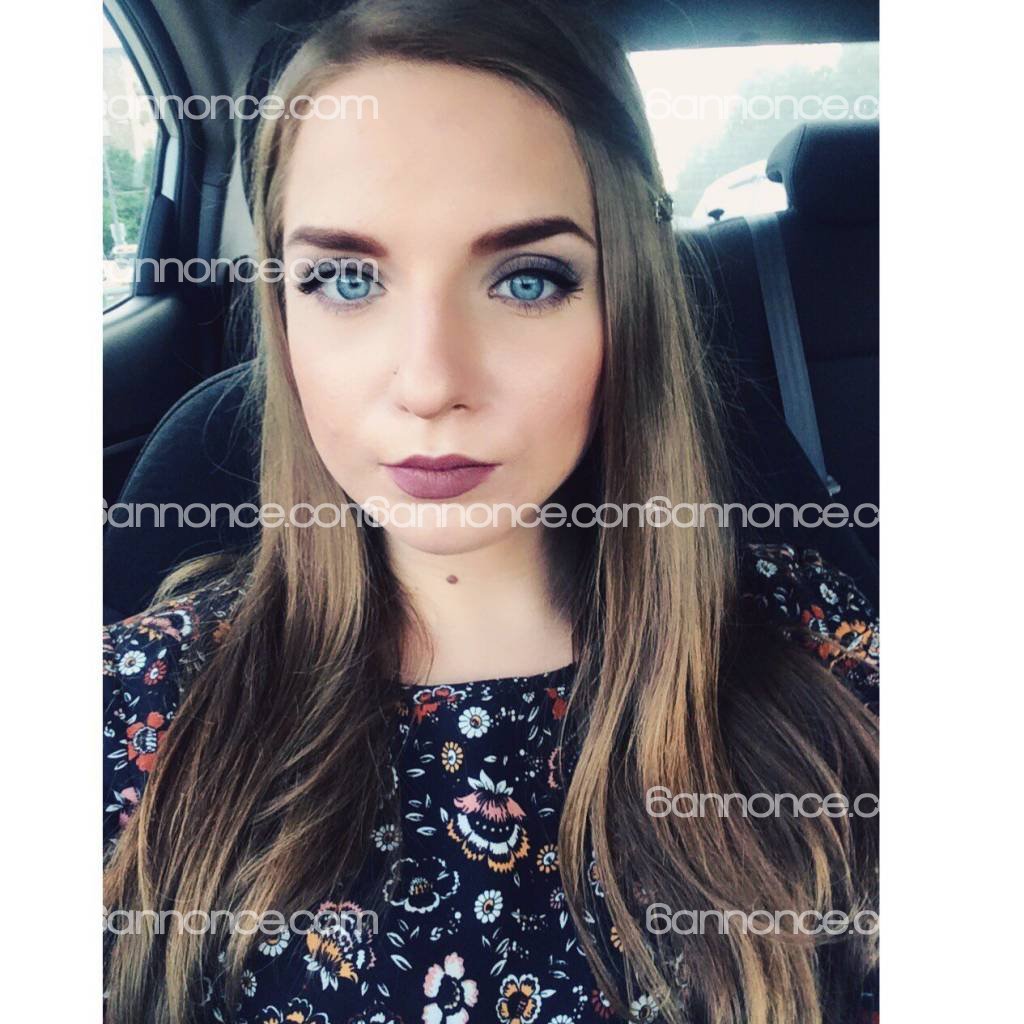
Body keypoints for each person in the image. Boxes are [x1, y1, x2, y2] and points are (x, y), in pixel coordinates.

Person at [102, 2, 879, 1022]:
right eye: (345, 278)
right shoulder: (134, 705)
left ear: (625, 301)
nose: (431, 383)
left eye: (526, 280)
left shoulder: (821, 655)